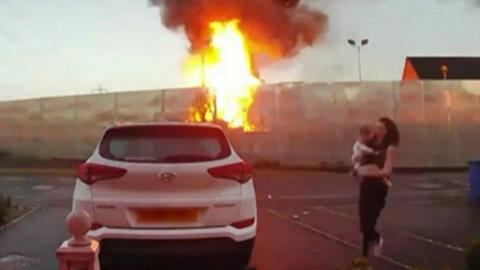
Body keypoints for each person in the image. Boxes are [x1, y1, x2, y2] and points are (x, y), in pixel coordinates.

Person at [355, 117, 400, 257]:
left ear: (388, 131)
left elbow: (386, 171)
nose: (378, 131)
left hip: (378, 187)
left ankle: (375, 239)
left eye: (382, 129)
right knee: (363, 220)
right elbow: (359, 162)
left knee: (370, 220)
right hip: (366, 185)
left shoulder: (391, 148)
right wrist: (360, 167)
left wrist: (369, 171)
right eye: (377, 128)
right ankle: (365, 254)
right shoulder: (371, 145)